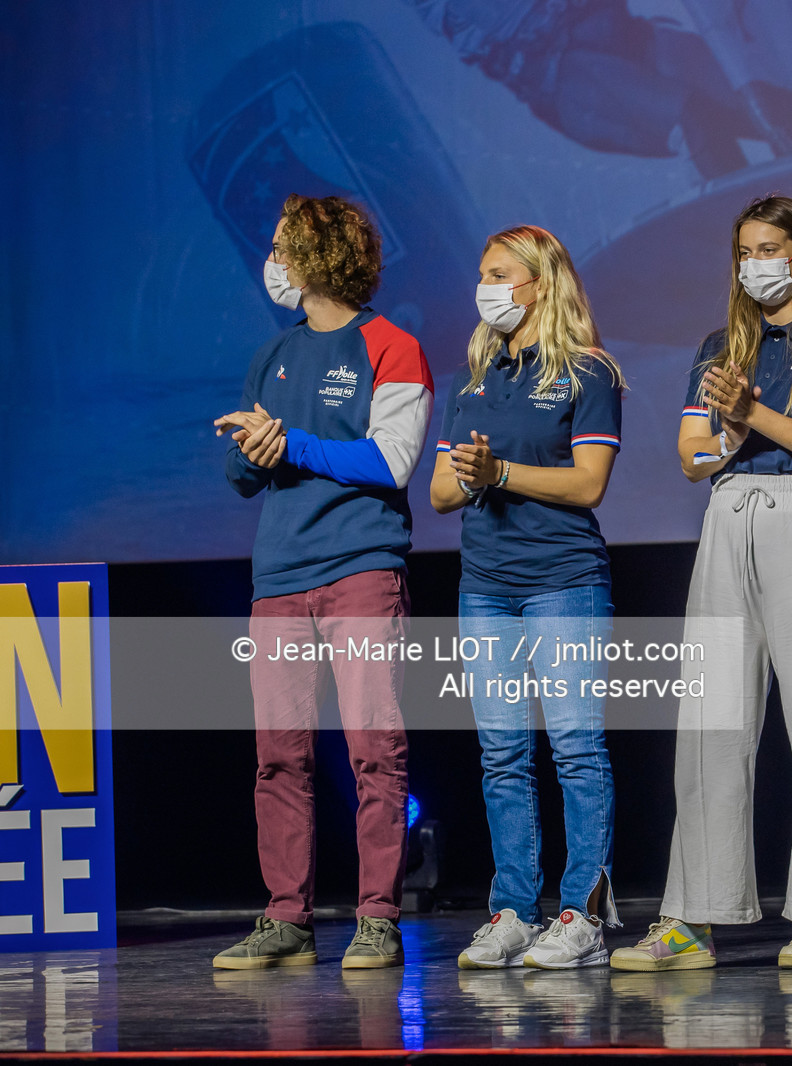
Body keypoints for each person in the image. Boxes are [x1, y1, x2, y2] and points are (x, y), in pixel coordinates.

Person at [609, 195, 792, 971]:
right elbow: (691, 455)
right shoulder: (719, 347)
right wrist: (728, 430)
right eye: (743, 251)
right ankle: (690, 919)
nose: (753, 264)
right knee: (710, 727)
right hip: (729, 516)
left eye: (769, 248)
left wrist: (750, 415)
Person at [212, 194, 434, 970]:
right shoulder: (273, 355)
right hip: (279, 577)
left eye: (280, 246)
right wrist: (251, 446)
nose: (270, 259)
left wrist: (294, 443)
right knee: (279, 756)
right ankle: (288, 920)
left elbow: (390, 461)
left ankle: (377, 918)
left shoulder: (392, 345)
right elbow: (245, 478)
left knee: (375, 750)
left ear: (316, 255)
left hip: (361, 568)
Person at [430, 226, 626, 969]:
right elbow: (445, 491)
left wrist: (501, 472)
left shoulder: (588, 372)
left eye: (500, 273)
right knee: (501, 755)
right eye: (482, 273)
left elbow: (588, 483)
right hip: (486, 589)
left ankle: (583, 913)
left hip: (564, 583)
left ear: (540, 282)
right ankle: (513, 909)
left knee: (576, 749)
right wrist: (473, 470)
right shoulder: (476, 378)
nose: (486, 286)